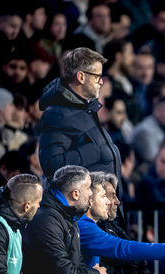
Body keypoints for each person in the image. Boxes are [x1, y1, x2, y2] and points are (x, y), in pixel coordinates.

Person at [38, 48, 122, 194]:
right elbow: (53, 166)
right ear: (81, 77)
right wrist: (95, 149)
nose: (101, 82)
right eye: (97, 76)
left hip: (103, 209)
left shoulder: (86, 110)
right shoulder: (57, 113)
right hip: (85, 210)